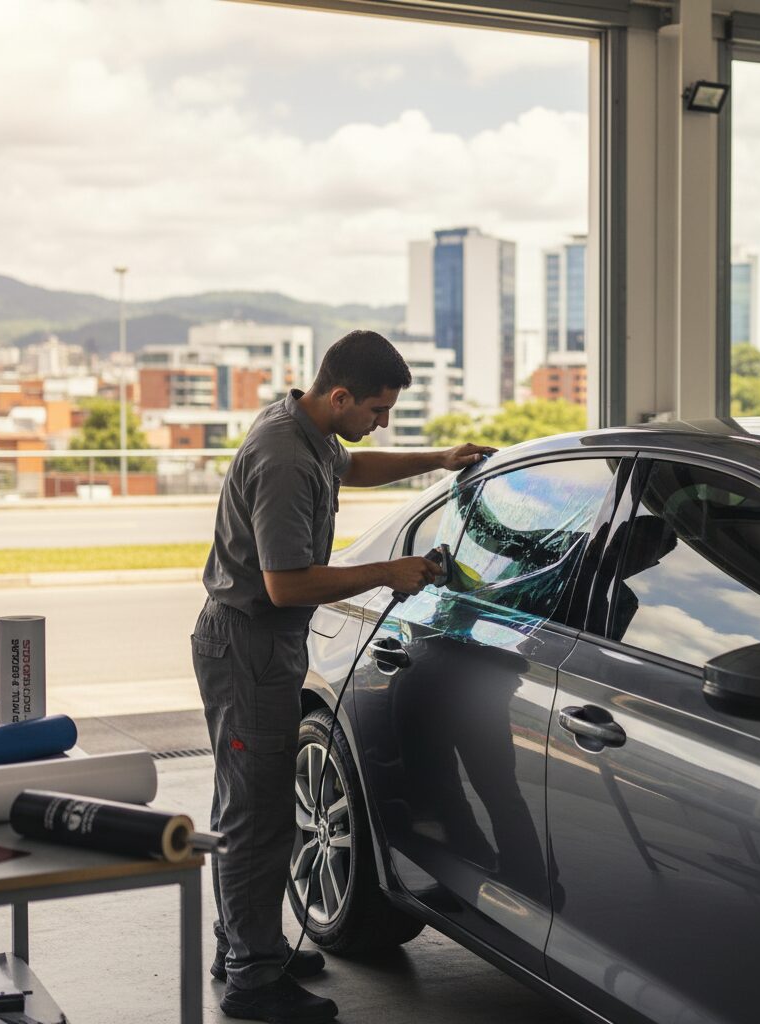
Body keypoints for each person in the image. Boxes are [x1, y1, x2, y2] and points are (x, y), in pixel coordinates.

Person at [191, 329, 494, 1023]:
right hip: (249, 646)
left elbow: (350, 467)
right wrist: (389, 572)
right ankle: (252, 979)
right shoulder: (284, 459)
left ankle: (245, 942)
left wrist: (437, 460)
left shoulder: (304, 426)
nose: (379, 423)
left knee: (249, 803)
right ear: (340, 395)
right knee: (256, 815)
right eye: (377, 411)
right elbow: (285, 585)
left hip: (257, 644)